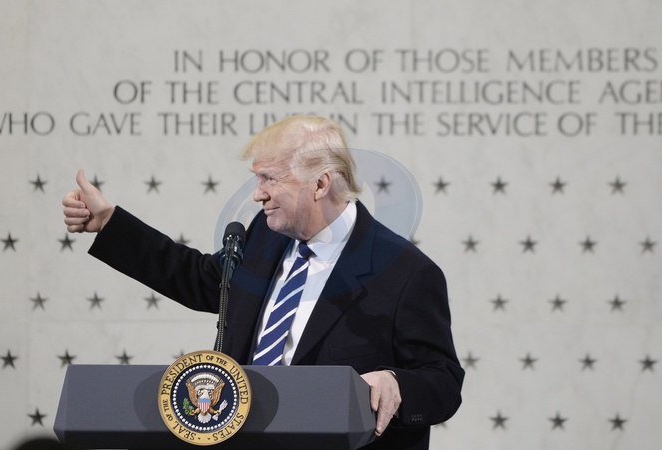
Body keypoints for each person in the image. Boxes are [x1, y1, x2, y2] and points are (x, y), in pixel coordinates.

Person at [62, 115, 463, 450]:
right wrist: (110, 224)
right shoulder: (265, 235)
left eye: (269, 179)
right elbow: (204, 281)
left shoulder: (405, 273)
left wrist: (395, 382)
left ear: (320, 184)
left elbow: (443, 381)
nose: (258, 195)